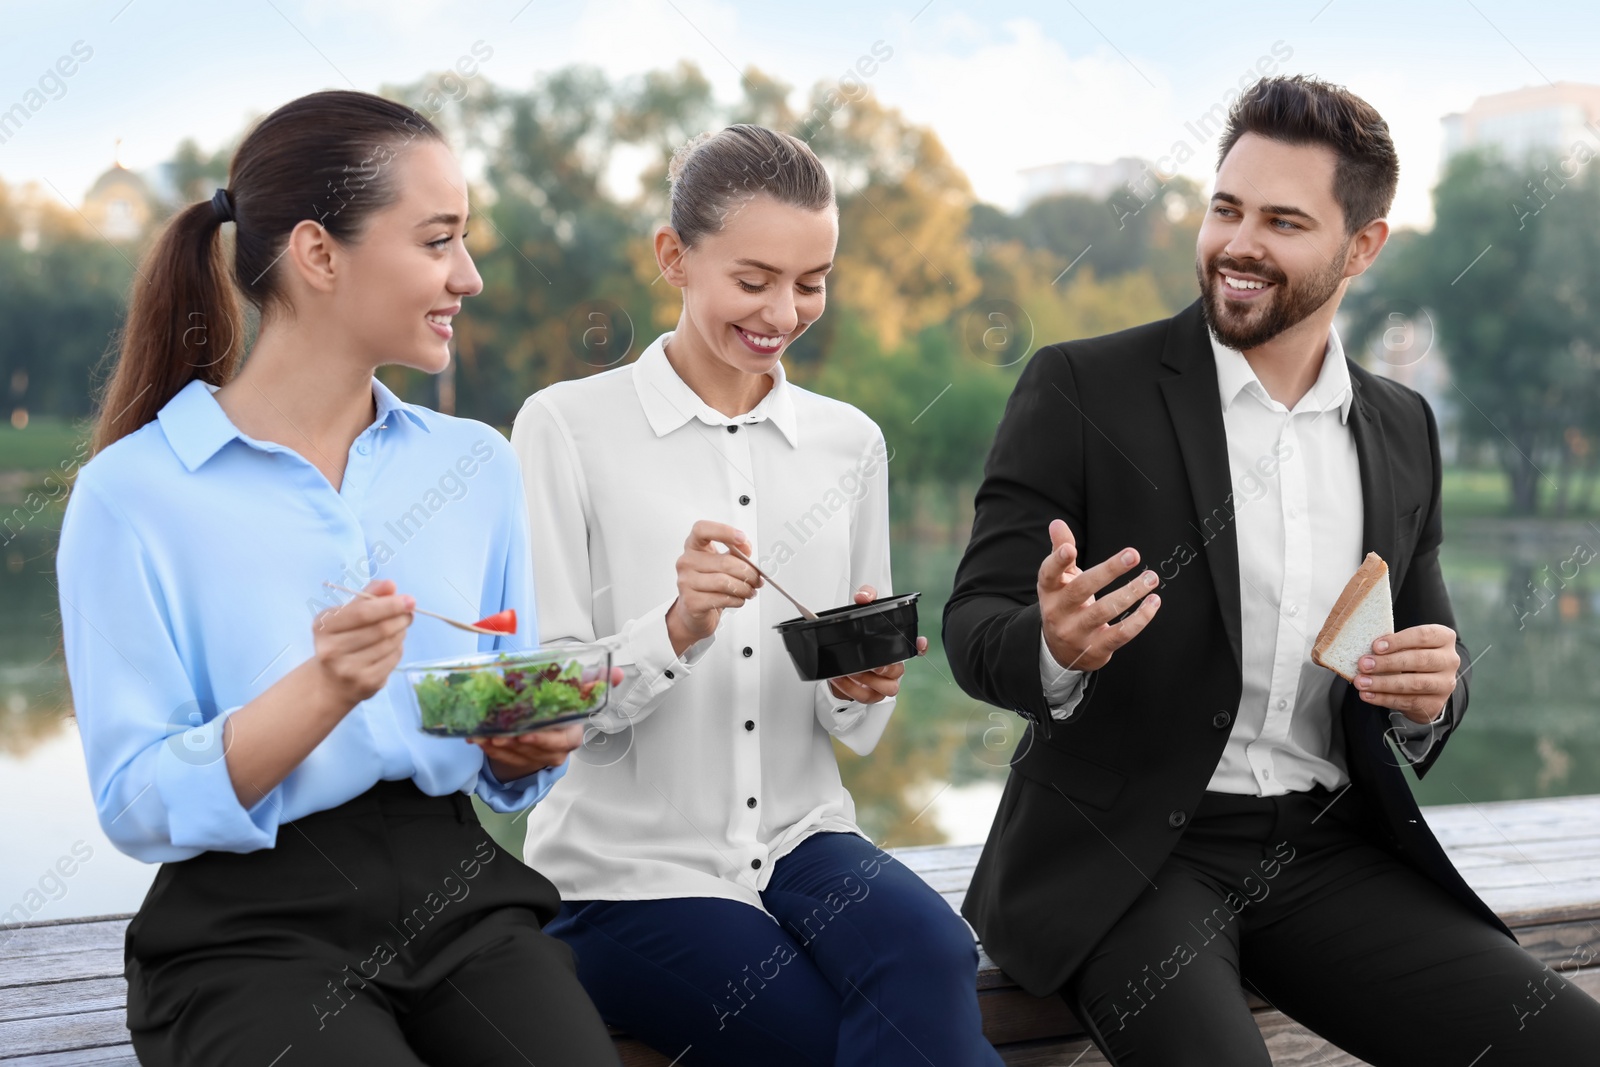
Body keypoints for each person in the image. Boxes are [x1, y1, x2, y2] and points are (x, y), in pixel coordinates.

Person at [943, 75, 1600, 1065]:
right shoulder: (1082, 387)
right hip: (1131, 860)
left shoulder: (1400, 426)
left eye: (1283, 220)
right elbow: (973, 624)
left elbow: (1433, 657)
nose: (1238, 243)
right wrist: (1050, 645)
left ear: (1361, 247)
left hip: (1327, 851)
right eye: (1225, 208)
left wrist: (1431, 694)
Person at [57, 90, 618, 1067]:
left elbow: (488, 727)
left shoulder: (474, 463)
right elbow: (134, 799)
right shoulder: (130, 495)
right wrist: (321, 691)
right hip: (244, 930)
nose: (470, 275)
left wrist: (522, 746)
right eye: (438, 240)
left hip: (461, 900)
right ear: (319, 254)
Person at [509, 124, 1000, 1067]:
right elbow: (540, 700)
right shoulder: (565, 427)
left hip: (802, 839)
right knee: (818, 1039)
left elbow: (846, 724)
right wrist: (677, 624)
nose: (785, 309)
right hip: (623, 876)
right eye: (753, 278)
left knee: (936, 949)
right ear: (674, 257)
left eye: (811, 281)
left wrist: (860, 684)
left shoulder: (849, 442)